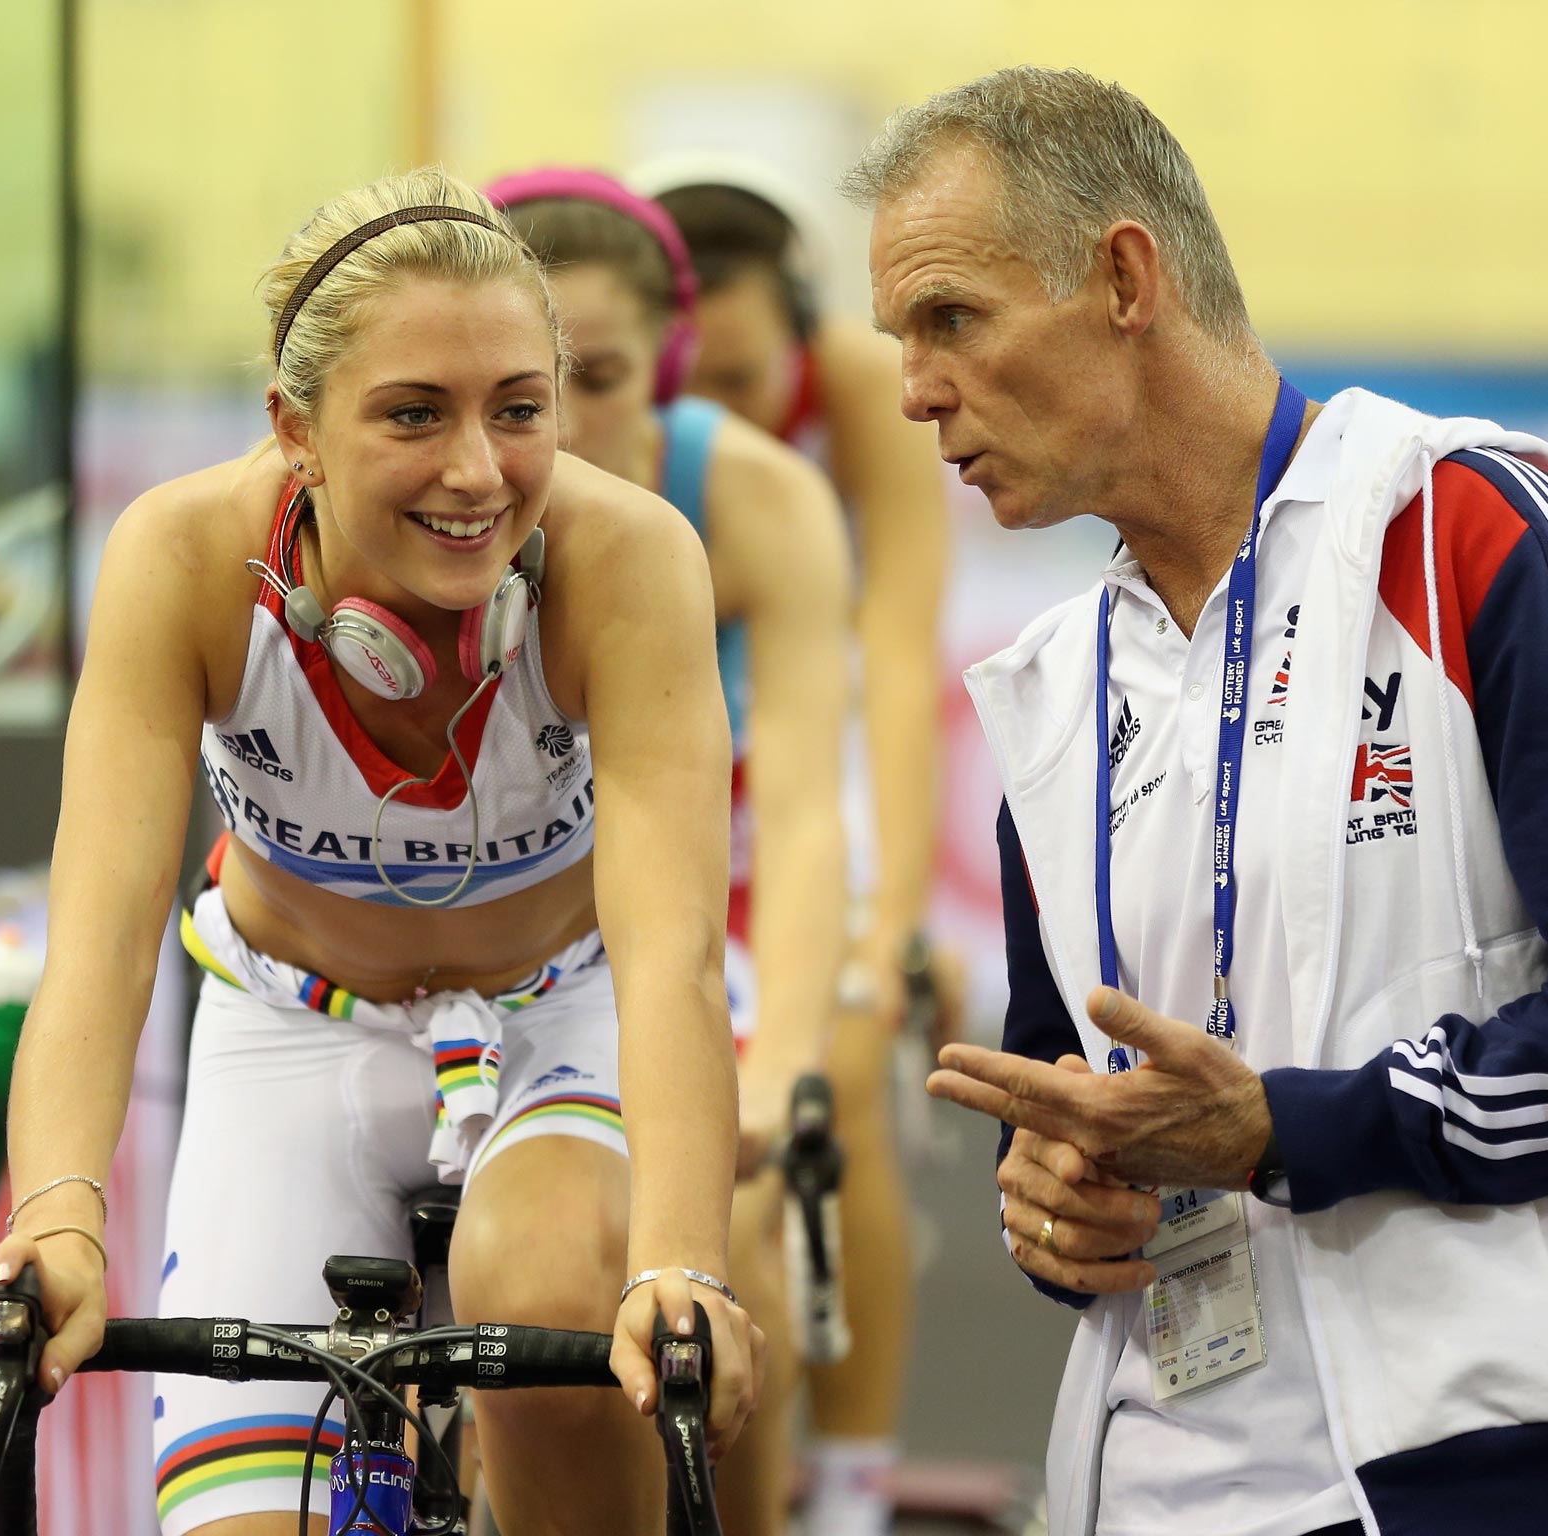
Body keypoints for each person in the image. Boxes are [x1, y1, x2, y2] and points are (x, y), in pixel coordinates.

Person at [845, 65, 1548, 1536]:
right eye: (900, 339)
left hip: (1518, 1467)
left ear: (1125, 277)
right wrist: (1058, 1210)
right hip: (1151, 1485)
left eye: (951, 317)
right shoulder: (1047, 690)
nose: (912, 389)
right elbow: (1077, 1113)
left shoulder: (1474, 535)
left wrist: (1292, 1130)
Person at [0, 168, 763, 1536]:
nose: (477, 471)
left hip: (563, 1018)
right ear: (295, 430)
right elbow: (97, 946)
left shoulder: (630, 560)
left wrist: (684, 1268)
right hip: (291, 1029)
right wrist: (56, 1224)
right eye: (412, 416)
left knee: (552, 1273)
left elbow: (676, 961)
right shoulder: (182, 558)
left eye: (519, 410)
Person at [488, 166, 851, 1536]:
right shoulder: (457, 502)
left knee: (741, 1207)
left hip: (715, 909)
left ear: (681, 370)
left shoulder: (752, 502)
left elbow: (813, 815)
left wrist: (796, 1057)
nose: (566, 428)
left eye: (613, 378)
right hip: (502, 940)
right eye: (537, 383)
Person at [642, 155, 951, 1536]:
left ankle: (853, 1482)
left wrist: (887, 934)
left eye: (746, 384)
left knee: (839, 1092)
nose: (711, 422)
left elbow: (894, 655)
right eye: (682, 390)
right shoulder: (598, 416)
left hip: (787, 737)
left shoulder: (864, 396)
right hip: (649, 746)